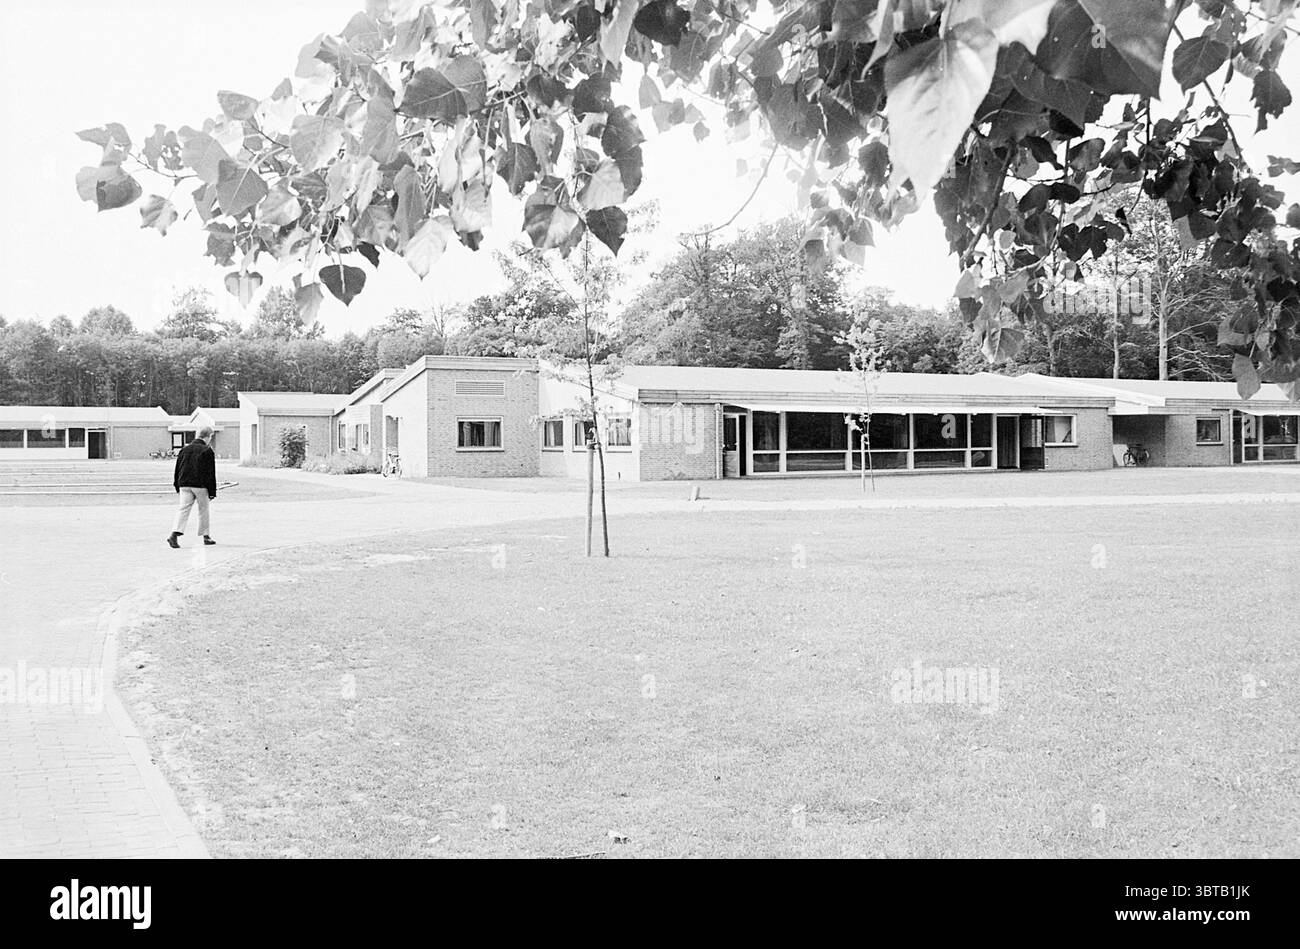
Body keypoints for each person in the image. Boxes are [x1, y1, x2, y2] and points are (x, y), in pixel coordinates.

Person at [167, 426, 218, 548]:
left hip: (184, 484)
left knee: (183, 509)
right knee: (203, 510)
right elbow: (210, 473)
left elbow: (178, 469)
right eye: (210, 437)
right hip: (200, 485)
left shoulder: (184, 449)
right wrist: (212, 491)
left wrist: (177, 485)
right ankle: (206, 536)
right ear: (207, 437)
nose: (210, 439)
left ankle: (174, 534)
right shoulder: (207, 450)